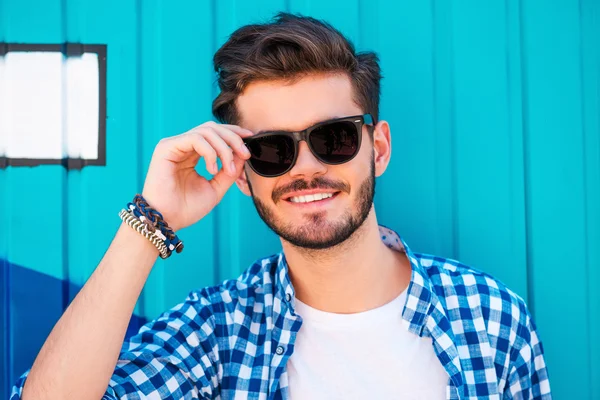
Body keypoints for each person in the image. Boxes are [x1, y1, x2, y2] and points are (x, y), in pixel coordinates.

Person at [12, 12, 552, 400]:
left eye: (334, 138)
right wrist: (149, 220)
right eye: (272, 150)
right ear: (244, 175)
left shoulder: (490, 317)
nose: (303, 169)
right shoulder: (215, 333)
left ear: (378, 148)